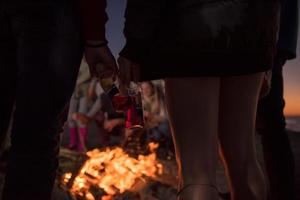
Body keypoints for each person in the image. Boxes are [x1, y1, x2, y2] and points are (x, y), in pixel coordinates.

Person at [116, 1, 281, 200]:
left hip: (192, 29)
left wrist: (135, 41)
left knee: (197, 175)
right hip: (253, 26)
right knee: (244, 163)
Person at [0, 0, 117, 199]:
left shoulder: (117, 92)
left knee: (36, 131)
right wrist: (95, 37)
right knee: (37, 131)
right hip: (52, 11)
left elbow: (106, 101)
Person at [257, 0, 299, 199]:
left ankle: (283, 192)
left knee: (270, 121)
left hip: (264, 34)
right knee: (269, 122)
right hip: (263, 33)